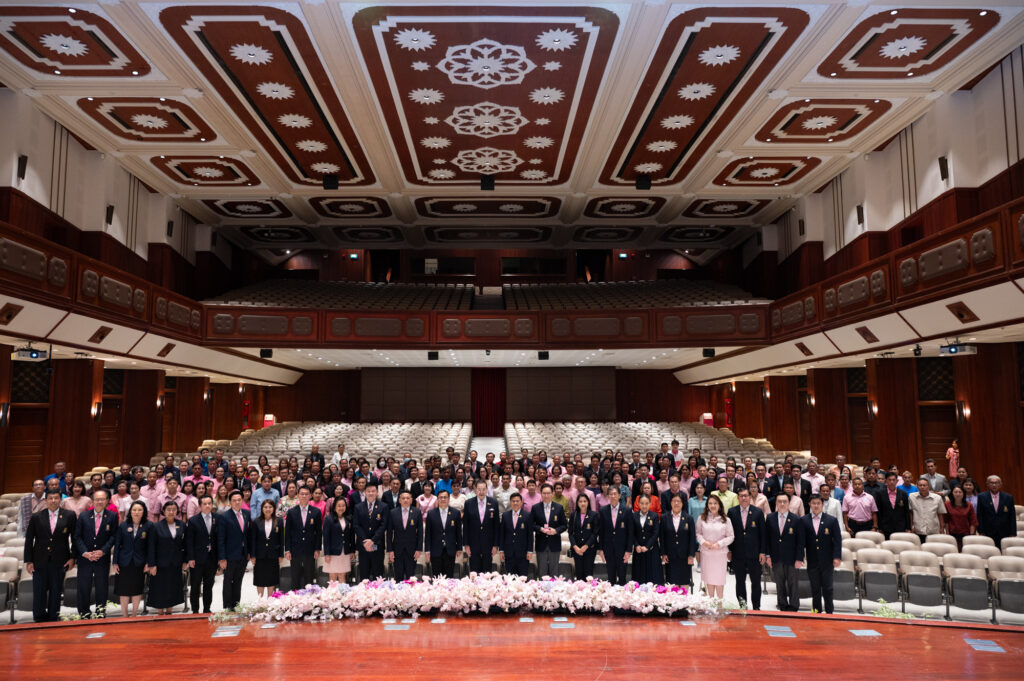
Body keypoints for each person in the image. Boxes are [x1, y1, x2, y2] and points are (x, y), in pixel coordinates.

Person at [24, 488, 76, 622]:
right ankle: (39, 618)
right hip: (39, 560)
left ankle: (53, 617)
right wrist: (28, 561)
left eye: (56, 498)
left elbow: (75, 538)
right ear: (46, 500)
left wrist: (72, 557)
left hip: (60, 560)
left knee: (56, 591)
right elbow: (29, 539)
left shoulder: (69, 515)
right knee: (39, 591)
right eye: (50, 498)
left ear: (60, 499)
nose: (53, 501)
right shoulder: (36, 516)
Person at [72, 488, 118, 618]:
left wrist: (103, 551)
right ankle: (84, 613)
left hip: (102, 558)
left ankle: (100, 613)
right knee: (83, 587)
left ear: (107, 501)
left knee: (102, 587)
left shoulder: (112, 516)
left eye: (102, 499)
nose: (99, 501)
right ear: (92, 501)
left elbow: (114, 536)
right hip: (85, 559)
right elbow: (77, 537)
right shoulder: (83, 516)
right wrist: (85, 552)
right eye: (97, 499)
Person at [801, 495, 843, 614]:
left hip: (827, 561)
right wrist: (800, 557)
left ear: (822, 504)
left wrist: (837, 557)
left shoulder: (831, 520)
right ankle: (816, 612)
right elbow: (801, 542)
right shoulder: (804, 520)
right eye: (813, 503)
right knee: (815, 589)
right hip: (812, 560)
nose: (816, 505)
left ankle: (830, 613)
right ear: (809, 504)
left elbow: (837, 540)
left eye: (818, 503)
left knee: (828, 588)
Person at [146, 500, 187, 615]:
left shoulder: (182, 525)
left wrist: (185, 561)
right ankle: (160, 612)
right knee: (160, 587)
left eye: (174, 509)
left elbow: (185, 545)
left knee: (173, 586)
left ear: (177, 511)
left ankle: (169, 611)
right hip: (160, 563)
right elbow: (152, 547)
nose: (171, 512)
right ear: (163, 511)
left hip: (176, 562)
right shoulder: (156, 526)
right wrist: (152, 564)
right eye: (168, 510)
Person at [727, 488, 766, 609]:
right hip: (737, 553)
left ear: (750, 497)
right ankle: (743, 606)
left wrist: (762, 552)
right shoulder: (732, 512)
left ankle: (756, 607)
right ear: (738, 498)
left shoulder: (758, 512)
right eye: (741, 496)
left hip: (754, 554)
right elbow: (728, 532)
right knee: (740, 582)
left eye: (746, 496)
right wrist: (729, 550)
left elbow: (763, 534)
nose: (743, 498)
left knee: (755, 582)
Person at [766, 492, 804, 612]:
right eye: (779, 501)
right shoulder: (770, 518)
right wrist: (768, 555)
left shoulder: (796, 519)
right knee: (779, 583)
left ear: (789, 503)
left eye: (785, 501)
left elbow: (800, 542)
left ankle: (793, 606)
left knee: (793, 583)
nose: (782, 504)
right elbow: (767, 539)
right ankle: (782, 604)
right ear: (776, 503)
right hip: (776, 557)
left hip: (792, 558)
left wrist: (799, 558)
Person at [113, 500, 150, 617]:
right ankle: (125, 615)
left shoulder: (149, 526)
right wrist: (115, 562)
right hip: (124, 562)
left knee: (137, 589)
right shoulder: (123, 525)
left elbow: (151, 546)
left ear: (144, 512)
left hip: (140, 562)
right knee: (123, 590)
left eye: (139, 510)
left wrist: (149, 562)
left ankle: (134, 614)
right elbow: (117, 544)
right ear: (130, 511)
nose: (137, 512)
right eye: (134, 510)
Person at [217, 490, 250, 611]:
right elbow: (220, 539)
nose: (237, 502)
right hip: (229, 555)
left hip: (242, 554)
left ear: (242, 501)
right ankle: (227, 606)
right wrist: (222, 558)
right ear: (230, 502)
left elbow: (247, 535)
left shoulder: (247, 514)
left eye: (239, 500)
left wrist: (249, 552)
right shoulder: (224, 517)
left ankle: (236, 605)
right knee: (227, 582)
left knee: (238, 581)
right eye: (234, 500)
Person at [285, 486, 322, 588]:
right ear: (298, 495)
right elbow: (287, 532)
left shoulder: (316, 512)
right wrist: (287, 549)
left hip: (310, 549)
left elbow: (318, 532)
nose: (304, 496)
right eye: (302, 494)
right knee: (295, 576)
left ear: (310, 496)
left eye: (306, 494)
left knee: (309, 576)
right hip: (295, 549)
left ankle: (308, 600)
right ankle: (295, 599)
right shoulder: (292, 512)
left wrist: (317, 549)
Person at [696, 494, 732, 598]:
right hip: (706, 553)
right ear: (707, 505)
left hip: (719, 554)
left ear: (719, 505)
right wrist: (704, 542)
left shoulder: (726, 519)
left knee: (719, 579)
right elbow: (698, 533)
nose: (713, 505)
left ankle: (720, 604)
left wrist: (719, 544)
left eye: (715, 503)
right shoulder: (701, 518)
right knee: (709, 579)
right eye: (710, 503)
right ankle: (710, 604)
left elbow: (731, 536)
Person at [462, 480, 499, 574]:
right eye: (479, 489)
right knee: (474, 572)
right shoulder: (468, 503)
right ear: (475, 490)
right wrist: (466, 545)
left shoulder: (494, 503)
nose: (481, 492)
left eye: (483, 489)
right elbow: (465, 526)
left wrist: (495, 545)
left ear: (487, 490)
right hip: (473, 543)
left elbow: (496, 526)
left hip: (488, 544)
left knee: (487, 572)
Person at [531, 483, 567, 578]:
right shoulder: (535, 508)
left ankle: (554, 591)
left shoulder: (559, 508)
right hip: (541, 543)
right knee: (542, 572)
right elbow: (531, 524)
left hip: (554, 543)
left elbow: (564, 525)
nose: (546, 495)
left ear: (552, 494)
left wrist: (556, 531)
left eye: (548, 493)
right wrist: (540, 529)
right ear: (541, 494)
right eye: (544, 493)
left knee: (554, 572)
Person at [598, 485, 633, 585]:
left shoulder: (627, 510)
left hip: (622, 549)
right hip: (608, 548)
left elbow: (630, 532)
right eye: (611, 494)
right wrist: (601, 549)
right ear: (608, 496)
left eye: (615, 494)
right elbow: (601, 532)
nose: (613, 496)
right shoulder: (603, 510)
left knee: (622, 578)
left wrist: (628, 550)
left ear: (619, 495)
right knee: (610, 578)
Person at [661, 493, 697, 587]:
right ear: (670, 503)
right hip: (670, 556)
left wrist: (691, 555)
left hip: (685, 556)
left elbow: (692, 538)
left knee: (684, 581)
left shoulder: (689, 518)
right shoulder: (664, 517)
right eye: (674, 501)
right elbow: (662, 537)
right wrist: (663, 553)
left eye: (679, 501)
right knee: (672, 583)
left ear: (682, 503)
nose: (676, 503)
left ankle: (684, 601)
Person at [424, 490, 462, 577]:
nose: (443, 499)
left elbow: (458, 532)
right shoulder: (431, 513)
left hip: (450, 549)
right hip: (436, 550)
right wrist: (427, 550)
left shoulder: (456, 513)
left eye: (445, 497)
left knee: (449, 576)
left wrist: (459, 547)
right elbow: (428, 534)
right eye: (441, 497)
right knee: (436, 576)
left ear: (449, 499)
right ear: (437, 499)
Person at [250, 499, 284, 597]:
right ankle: (260, 602)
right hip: (260, 554)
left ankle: (270, 601)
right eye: (265, 507)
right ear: (262, 509)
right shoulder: (256, 521)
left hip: (274, 554)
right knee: (260, 579)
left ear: (274, 508)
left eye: (270, 507)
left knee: (271, 578)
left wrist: (281, 554)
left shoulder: (279, 521)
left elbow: (281, 540)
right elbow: (253, 540)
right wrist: (253, 555)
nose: (268, 509)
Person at [387, 491, 423, 581]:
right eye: (403, 498)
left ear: (411, 500)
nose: (405, 500)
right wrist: (390, 550)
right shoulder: (392, 512)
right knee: (398, 577)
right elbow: (389, 533)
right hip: (397, 550)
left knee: (411, 578)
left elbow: (420, 532)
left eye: (408, 498)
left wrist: (418, 549)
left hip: (412, 550)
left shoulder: (417, 512)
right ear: (399, 500)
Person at [354, 484, 387, 580]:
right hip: (363, 546)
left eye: (373, 491)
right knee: (364, 574)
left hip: (377, 545)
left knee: (378, 574)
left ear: (377, 492)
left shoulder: (384, 506)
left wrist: (372, 541)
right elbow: (356, 525)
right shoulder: (358, 507)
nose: (371, 493)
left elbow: (383, 526)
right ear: (365, 493)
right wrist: (366, 541)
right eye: (368, 491)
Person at [977, 475, 1017, 548]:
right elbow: (980, 515)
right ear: (987, 484)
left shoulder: (1008, 497)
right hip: (987, 532)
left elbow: (1012, 516)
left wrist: (1013, 533)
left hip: (1004, 532)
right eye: (992, 483)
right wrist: (981, 531)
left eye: (997, 483)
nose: (994, 485)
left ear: (1000, 484)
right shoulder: (981, 497)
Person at [499, 492, 533, 578]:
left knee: (522, 579)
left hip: (523, 554)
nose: (515, 503)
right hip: (509, 553)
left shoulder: (527, 515)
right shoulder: (505, 515)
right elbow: (502, 534)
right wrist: (501, 550)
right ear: (510, 502)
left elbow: (530, 535)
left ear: (521, 502)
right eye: (513, 501)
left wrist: (530, 551)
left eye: (517, 501)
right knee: (510, 578)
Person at [631, 494, 661, 585]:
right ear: (638, 504)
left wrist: (648, 546)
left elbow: (655, 533)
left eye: (646, 503)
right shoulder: (634, 516)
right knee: (639, 575)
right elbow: (632, 533)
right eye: (642, 503)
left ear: (650, 504)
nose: (644, 506)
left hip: (651, 550)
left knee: (653, 575)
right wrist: (636, 545)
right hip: (639, 551)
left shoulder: (654, 516)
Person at [323, 497, 354, 584]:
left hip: (345, 552)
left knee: (342, 575)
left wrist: (352, 551)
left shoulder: (349, 518)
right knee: (333, 577)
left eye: (343, 506)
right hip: (333, 552)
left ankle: (342, 595)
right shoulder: (328, 519)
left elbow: (351, 536)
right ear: (334, 507)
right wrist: (327, 553)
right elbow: (326, 538)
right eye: (339, 506)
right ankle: (332, 596)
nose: (341, 508)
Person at [568, 493, 599, 579]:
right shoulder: (573, 515)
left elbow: (595, 533)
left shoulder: (594, 515)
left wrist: (586, 546)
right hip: (577, 550)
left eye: (584, 501)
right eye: (580, 501)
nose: (582, 503)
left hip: (590, 549)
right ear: (577, 503)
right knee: (579, 574)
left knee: (588, 574)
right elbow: (570, 533)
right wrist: (575, 547)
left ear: (588, 502)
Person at [908, 477, 947, 543]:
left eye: (924, 485)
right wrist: (911, 526)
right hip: (918, 530)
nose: (922, 487)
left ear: (928, 486)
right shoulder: (912, 497)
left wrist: (942, 529)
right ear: (917, 486)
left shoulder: (937, 498)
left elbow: (940, 514)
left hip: (933, 531)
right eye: (920, 485)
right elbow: (911, 513)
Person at [875, 471, 911, 539]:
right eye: (889, 480)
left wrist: (908, 527)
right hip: (885, 527)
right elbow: (879, 512)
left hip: (900, 527)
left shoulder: (903, 493)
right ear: (886, 481)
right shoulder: (880, 493)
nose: (891, 482)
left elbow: (906, 511)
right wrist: (880, 527)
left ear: (897, 481)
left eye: (893, 480)